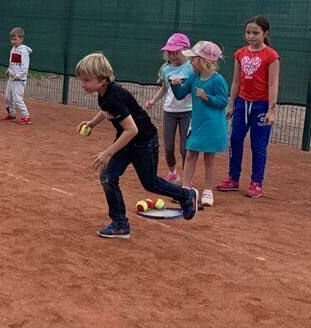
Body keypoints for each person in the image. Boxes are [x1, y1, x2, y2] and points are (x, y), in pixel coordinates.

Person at [75, 52, 198, 239]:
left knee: (150, 183)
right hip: (127, 142)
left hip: (144, 142)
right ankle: (120, 224)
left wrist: (108, 153)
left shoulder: (113, 96)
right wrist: (91, 123)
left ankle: (185, 196)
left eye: (86, 80)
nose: (82, 84)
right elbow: (106, 110)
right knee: (108, 176)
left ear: (102, 80)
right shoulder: (104, 94)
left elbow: (132, 130)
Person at [217, 16, 280, 199]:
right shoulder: (240, 54)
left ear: (265, 33)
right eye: (248, 32)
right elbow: (236, 81)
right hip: (242, 104)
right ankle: (233, 178)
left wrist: (271, 110)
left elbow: (273, 85)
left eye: (256, 33)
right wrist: (231, 104)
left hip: (261, 106)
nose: (251, 36)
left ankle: (256, 183)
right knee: (235, 140)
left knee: (258, 145)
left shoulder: (272, 56)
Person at [170, 41, 228, 208]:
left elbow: (223, 101)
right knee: (190, 155)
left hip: (213, 126)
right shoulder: (193, 78)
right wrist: (175, 86)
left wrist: (206, 97)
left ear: (204, 61)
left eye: (194, 59)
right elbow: (181, 94)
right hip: (196, 124)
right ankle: (186, 189)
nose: (190, 62)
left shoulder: (218, 81)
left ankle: (208, 191)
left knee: (209, 158)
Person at [146, 33, 193, 183]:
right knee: (168, 148)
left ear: (186, 50)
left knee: (185, 148)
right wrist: (153, 100)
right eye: (170, 52)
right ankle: (172, 173)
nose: (173, 55)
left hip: (188, 111)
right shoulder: (165, 69)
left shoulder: (192, 67)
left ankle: (187, 178)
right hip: (169, 112)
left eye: (176, 52)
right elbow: (164, 88)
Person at [1, 27, 32, 124]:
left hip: (19, 80)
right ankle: (12, 114)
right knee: (8, 97)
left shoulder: (23, 51)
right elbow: (12, 62)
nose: (13, 41)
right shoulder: (13, 49)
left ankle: (26, 116)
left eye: (15, 39)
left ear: (21, 39)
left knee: (17, 99)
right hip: (11, 78)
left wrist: (18, 75)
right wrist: (9, 70)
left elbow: (25, 67)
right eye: (12, 39)